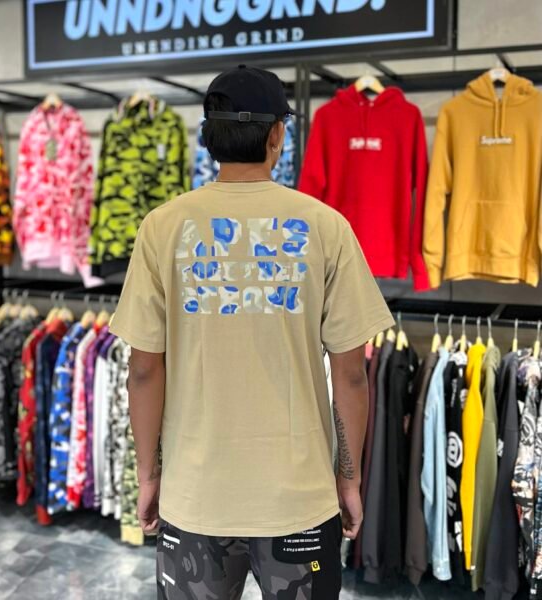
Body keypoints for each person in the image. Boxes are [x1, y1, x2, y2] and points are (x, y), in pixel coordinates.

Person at [109, 65, 394, 599]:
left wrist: (149, 476)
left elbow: (143, 370)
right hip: (299, 500)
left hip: (194, 498)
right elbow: (352, 375)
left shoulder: (161, 227)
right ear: (277, 135)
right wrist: (349, 478)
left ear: (208, 137)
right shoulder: (326, 226)